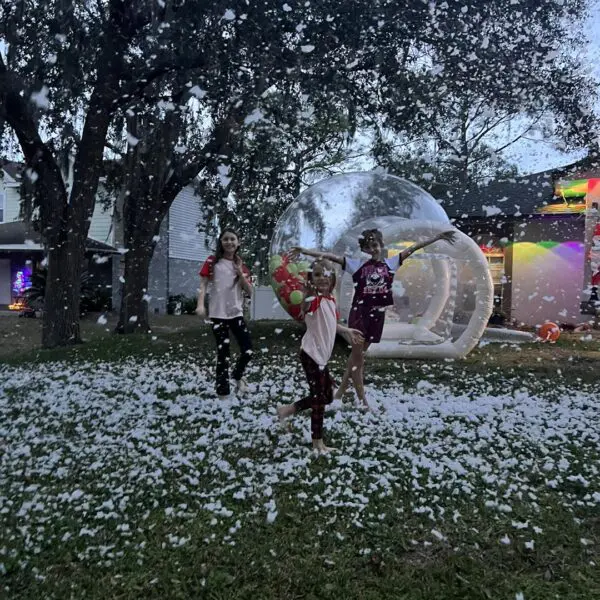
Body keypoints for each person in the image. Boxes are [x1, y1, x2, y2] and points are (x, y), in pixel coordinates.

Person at [290, 228, 456, 409]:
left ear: (381, 245)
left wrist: (436, 238)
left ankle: (339, 394)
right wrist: (306, 251)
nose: (373, 249)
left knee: (356, 358)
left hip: (377, 316)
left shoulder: (391, 263)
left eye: (375, 245)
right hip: (360, 314)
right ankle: (362, 401)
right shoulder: (356, 265)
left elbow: (414, 248)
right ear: (365, 249)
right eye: (369, 247)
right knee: (358, 361)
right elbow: (329, 256)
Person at [277, 259, 363, 454]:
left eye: (326, 274)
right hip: (311, 355)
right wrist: (307, 295)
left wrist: (347, 330)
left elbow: (331, 323)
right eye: (317, 274)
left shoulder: (330, 300)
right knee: (319, 400)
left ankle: (287, 410)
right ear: (311, 279)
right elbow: (305, 310)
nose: (322, 277)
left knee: (326, 396)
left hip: (321, 356)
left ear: (332, 278)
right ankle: (317, 442)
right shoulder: (313, 300)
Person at [196, 228, 254, 399]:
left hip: (236, 313)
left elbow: (250, 291)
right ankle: (223, 392)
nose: (229, 242)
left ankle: (237, 375)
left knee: (248, 349)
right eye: (225, 239)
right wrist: (200, 305)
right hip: (218, 314)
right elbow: (203, 285)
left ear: (238, 243)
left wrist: (239, 273)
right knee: (223, 353)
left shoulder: (241, 265)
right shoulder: (212, 261)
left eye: (232, 239)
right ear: (221, 242)